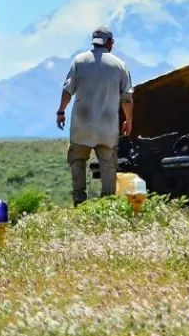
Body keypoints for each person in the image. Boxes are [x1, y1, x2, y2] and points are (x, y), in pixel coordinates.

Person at [56, 25, 134, 206]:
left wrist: (61, 111)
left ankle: (79, 202)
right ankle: (106, 204)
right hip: (107, 127)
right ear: (110, 42)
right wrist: (128, 120)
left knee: (77, 161)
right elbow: (127, 99)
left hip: (81, 125)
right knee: (108, 165)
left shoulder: (79, 61)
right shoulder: (119, 65)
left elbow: (67, 90)